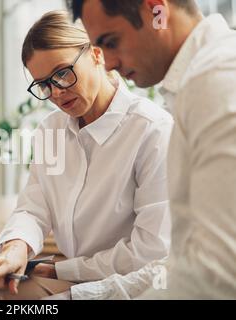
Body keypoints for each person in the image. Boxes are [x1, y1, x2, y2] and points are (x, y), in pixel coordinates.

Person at [0, 10, 173, 296]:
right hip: (70, 277)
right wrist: (16, 247)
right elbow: (34, 206)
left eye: (62, 74)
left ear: (96, 53)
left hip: (132, 285)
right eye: (44, 84)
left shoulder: (151, 130)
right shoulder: (51, 130)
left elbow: (150, 251)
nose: (55, 93)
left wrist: (67, 269)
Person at [66, 0, 236, 299]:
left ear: (157, 11)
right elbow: (183, 262)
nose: (108, 64)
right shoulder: (199, 81)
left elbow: (218, 274)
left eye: (111, 42)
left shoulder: (215, 81)